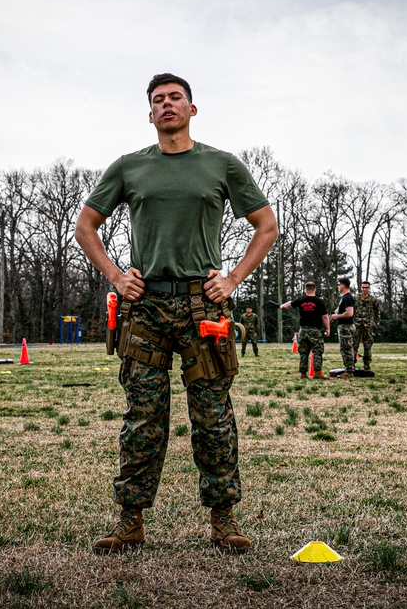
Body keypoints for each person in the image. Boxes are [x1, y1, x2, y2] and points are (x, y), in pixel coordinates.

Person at [74, 73, 278, 555]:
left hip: (201, 306)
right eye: (158, 101)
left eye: (175, 98)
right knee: (142, 417)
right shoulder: (128, 167)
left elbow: (266, 226)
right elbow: (86, 226)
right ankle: (130, 521)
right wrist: (117, 277)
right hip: (144, 309)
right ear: (150, 114)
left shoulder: (221, 164)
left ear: (192, 108)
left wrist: (232, 280)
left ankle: (223, 519)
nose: (167, 105)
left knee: (213, 417)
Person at [280, 282, 330, 379]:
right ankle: (317, 373)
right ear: (315, 289)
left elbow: (289, 304)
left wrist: (282, 306)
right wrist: (328, 328)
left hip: (303, 330)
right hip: (315, 330)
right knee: (317, 351)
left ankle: (303, 373)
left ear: (305, 290)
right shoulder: (319, 302)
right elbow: (324, 316)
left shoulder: (301, 300)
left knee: (303, 352)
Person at [331, 277, 356, 378]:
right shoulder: (344, 297)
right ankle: (348, 369)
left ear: (343, 285)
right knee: (345, 348)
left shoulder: (348, 297)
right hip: (343, 326)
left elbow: (349, 313)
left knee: (346, 349)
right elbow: (339, 310)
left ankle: (349, 371)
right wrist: (333, 315)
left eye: (338, 284)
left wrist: (336, 316)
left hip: (346, 326)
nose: (337, 286)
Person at [354, 280, 380, 371]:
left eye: (366, 288)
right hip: (356, 325)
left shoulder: (373, 300)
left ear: (369, 288)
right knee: (354, 345)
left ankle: (367, 365)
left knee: (368, 347)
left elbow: (377, 313)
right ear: (361, 288)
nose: (364, 289)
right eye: (363, 287)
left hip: (368, 326)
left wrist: (375, 324)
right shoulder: (356, 298)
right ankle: (351, 365)